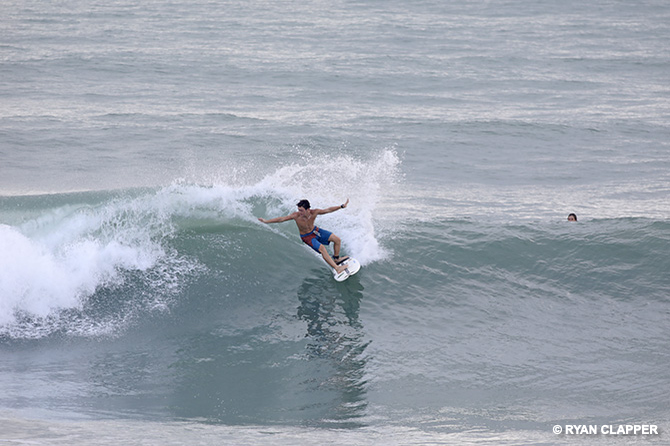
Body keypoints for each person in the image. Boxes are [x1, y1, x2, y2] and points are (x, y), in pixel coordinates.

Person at [259, 199, 350, 274]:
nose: (299, 212)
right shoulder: (296, 216)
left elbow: (328, 210)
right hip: (307, 237)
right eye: (299, 210)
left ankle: (336, 259)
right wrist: (266, 221)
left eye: (301, 210)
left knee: (337, 240)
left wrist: (341, 206)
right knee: (322, 249)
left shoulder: (314, 212)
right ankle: (337, 268)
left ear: (308, 209)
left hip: (315, 231)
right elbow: (281, 219)